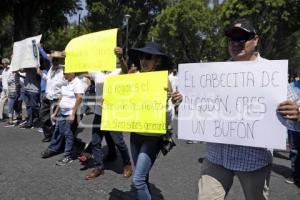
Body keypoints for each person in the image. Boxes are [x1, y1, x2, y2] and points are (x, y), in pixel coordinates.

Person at [198, 19, 273, 200]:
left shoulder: (272, 73)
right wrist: (186, 100)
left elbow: (288, 114)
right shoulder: (214, 73)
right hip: (216, 157)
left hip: (253, 160)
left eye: (242, 38)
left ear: (255, 40)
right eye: (232, 39)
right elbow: (202, 105)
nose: (236, 43)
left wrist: (295, 114)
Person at [127, 42, 182, 200]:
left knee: (137, 179)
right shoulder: (133, 78)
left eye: (149, 57)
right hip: (135, 134)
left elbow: (169, 117)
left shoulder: (163, 81)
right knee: (143, 176)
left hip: (152, 136)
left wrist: (166, 102)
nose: (144, 60)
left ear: (157, 61)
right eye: (142, 56)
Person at [84, 47, 133, 180]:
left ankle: (127, 164)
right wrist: (70, 58)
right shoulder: (97, 73)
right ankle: (99, 167)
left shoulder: (117, 71)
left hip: (112, 113)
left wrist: (121, 57)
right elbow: (80, 68)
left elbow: (125, 70)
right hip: (99, 113)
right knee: (95, 141)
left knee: (119, 142)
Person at [41, 69, 84, 166]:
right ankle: (53, 149)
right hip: (62, 112)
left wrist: (73, 114)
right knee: (58, 131)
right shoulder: (66, 83)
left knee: (68, 134)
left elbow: (79, 98)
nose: (63, 75)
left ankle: (68, 156)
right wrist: (55, 113)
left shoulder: (78, 82)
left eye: (65, 73)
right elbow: (61, 98)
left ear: (72, 73)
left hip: (72, 113)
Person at [37, 51, 67, 142]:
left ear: (61, 61)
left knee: (55, 120)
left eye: (56, 60)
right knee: (43, 116)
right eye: (53, 60)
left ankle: (56, 138)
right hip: (47, 96)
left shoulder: (64, 71)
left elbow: (66, 85)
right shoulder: (51, 69)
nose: (54, 61)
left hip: (57, 98)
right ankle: (48, 135)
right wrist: (41, 74)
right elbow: (49, 80)